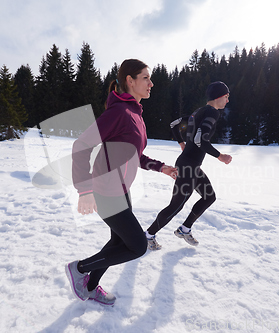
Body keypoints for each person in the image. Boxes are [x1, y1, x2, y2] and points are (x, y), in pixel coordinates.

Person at [65, 59, 178, 306]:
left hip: (122, 190)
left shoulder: (135, 113)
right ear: (130, 80)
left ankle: (91, 287)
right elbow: (81, 145)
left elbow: (136, 155)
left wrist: (161, 168)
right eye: (146, 78)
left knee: (118, 241)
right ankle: (80, 269)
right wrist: (84, 190)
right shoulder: (118, 112)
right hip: (105, 191)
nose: (151, 83)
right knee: (137, 246)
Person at [145, 81, 232, 250]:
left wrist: (181, 142)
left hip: (191, 165)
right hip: (188, 167)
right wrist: (220, 156)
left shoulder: (197, 112)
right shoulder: (213, 113)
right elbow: (200, 140)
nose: (227, 101)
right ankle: (148, 235)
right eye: (227, 97)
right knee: (176, 205)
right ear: (219, 96)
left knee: (209, 197)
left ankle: (184, 229)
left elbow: (173, 124)